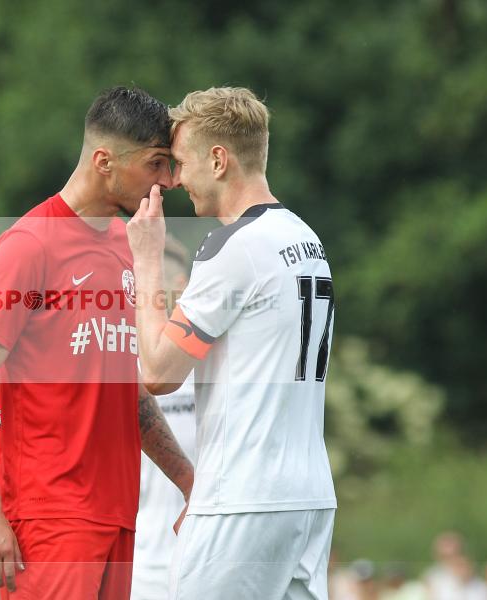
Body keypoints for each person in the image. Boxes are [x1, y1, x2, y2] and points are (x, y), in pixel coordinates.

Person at [0, 86, 194, 599]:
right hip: (49, 514)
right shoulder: (28, 245)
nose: (169, 180)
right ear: (104, 161)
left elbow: (129, 392)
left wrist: (189, 482)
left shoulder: (126, 248)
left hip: (117, 514)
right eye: (156, 164)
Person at [127, 86, 338, 599]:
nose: (177, 181)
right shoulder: (306, 239)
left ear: (218, 160)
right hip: (309, 500)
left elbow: (158, 371)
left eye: (181, 164)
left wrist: (148, 258)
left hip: (241, 498)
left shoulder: (233, 246)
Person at [131, 236, 197, 600]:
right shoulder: (120, 361)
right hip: (136, 563)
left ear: (182, 286)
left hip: (201, 557)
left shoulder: (212, 362)